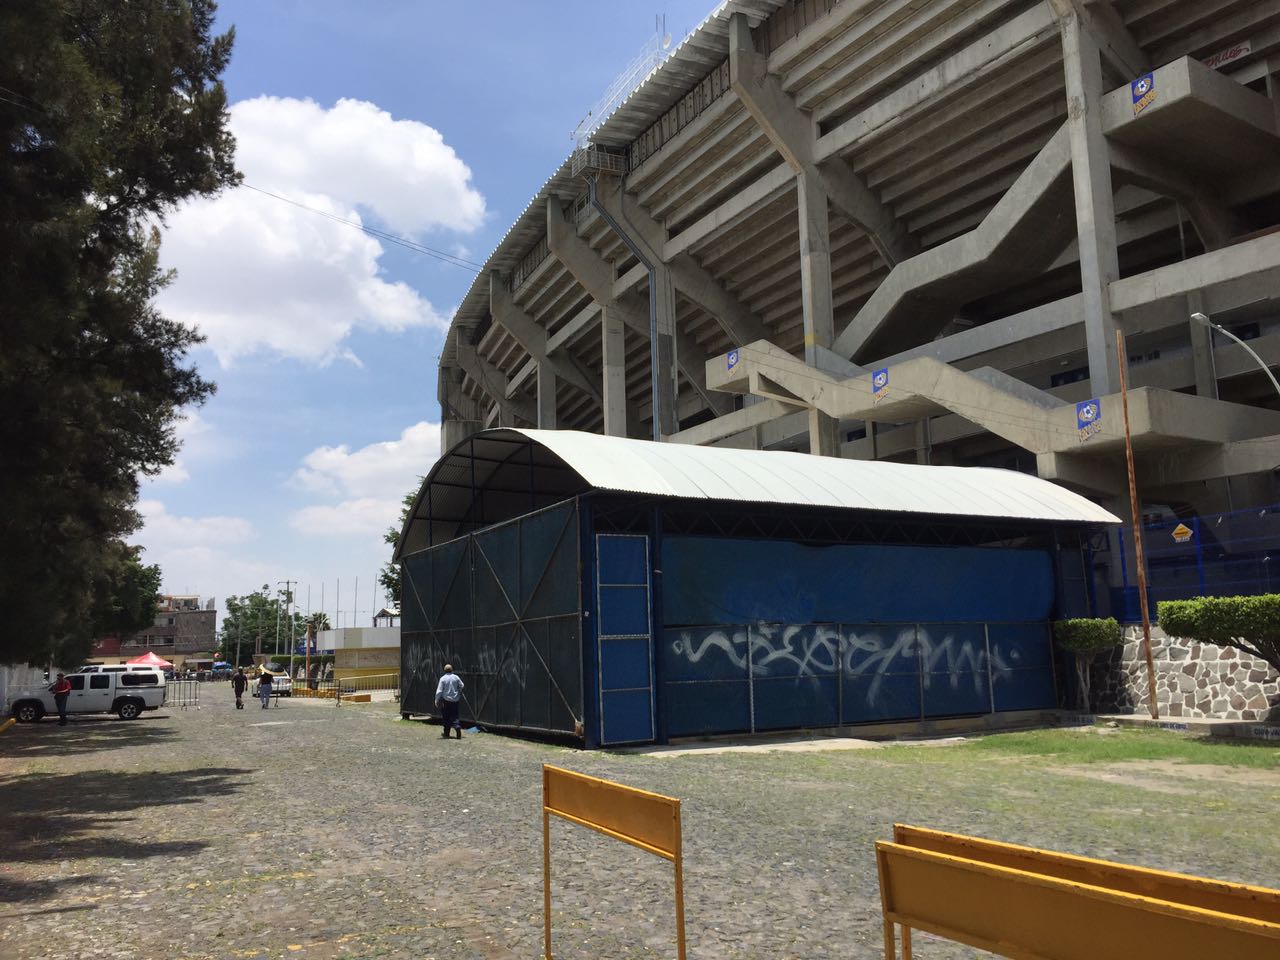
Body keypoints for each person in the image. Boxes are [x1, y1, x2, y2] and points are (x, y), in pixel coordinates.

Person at [435, 664, 464, 739]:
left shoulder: (443, 679)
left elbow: (439, 691)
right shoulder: (456, 677)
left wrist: (437, 699)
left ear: (444, 670)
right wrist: (458, 691)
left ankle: (446, 733)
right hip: (455, 700)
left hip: (446, 700)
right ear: (452, 670)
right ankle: (457, 726)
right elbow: (462, 685)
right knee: (455, 715)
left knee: (446, 717)